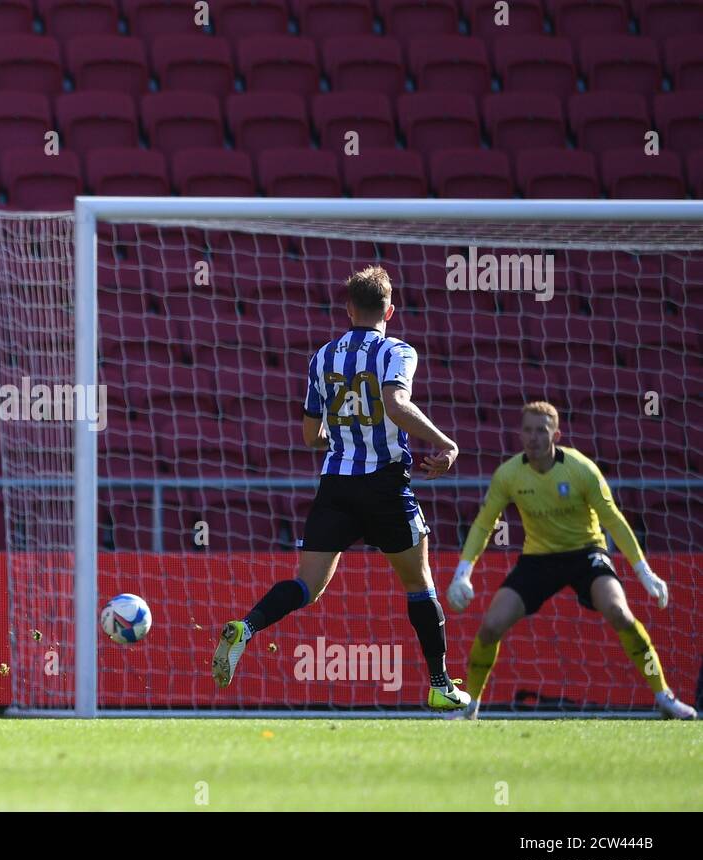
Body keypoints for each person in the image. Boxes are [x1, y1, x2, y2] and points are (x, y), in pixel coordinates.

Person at [212, 265, 471, 711]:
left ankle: (248, 628)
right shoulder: (398, 351)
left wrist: (343, 438)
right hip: (386, 485)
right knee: (417, 582)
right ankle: (439, 683)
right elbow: (395, 402)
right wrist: (445, 444)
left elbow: (311, 437)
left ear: (349, 308)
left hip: (335, 485)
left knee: (307, 585)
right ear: (390, 309)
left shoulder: (322, 357)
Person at [446, 400, 696, 720]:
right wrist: (463, 573)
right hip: (538, 560)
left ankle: (664, 696)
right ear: (520, 434)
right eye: (527, 430)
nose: (533, 437)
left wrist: (645, 573)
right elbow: (484, 523)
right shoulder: (508, 475)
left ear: (556, 435)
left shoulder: (580, 469)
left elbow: (614, 520)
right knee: (491, 627)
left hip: (586, 553)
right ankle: (470, 706)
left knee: (619, 612)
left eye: (541, 431)